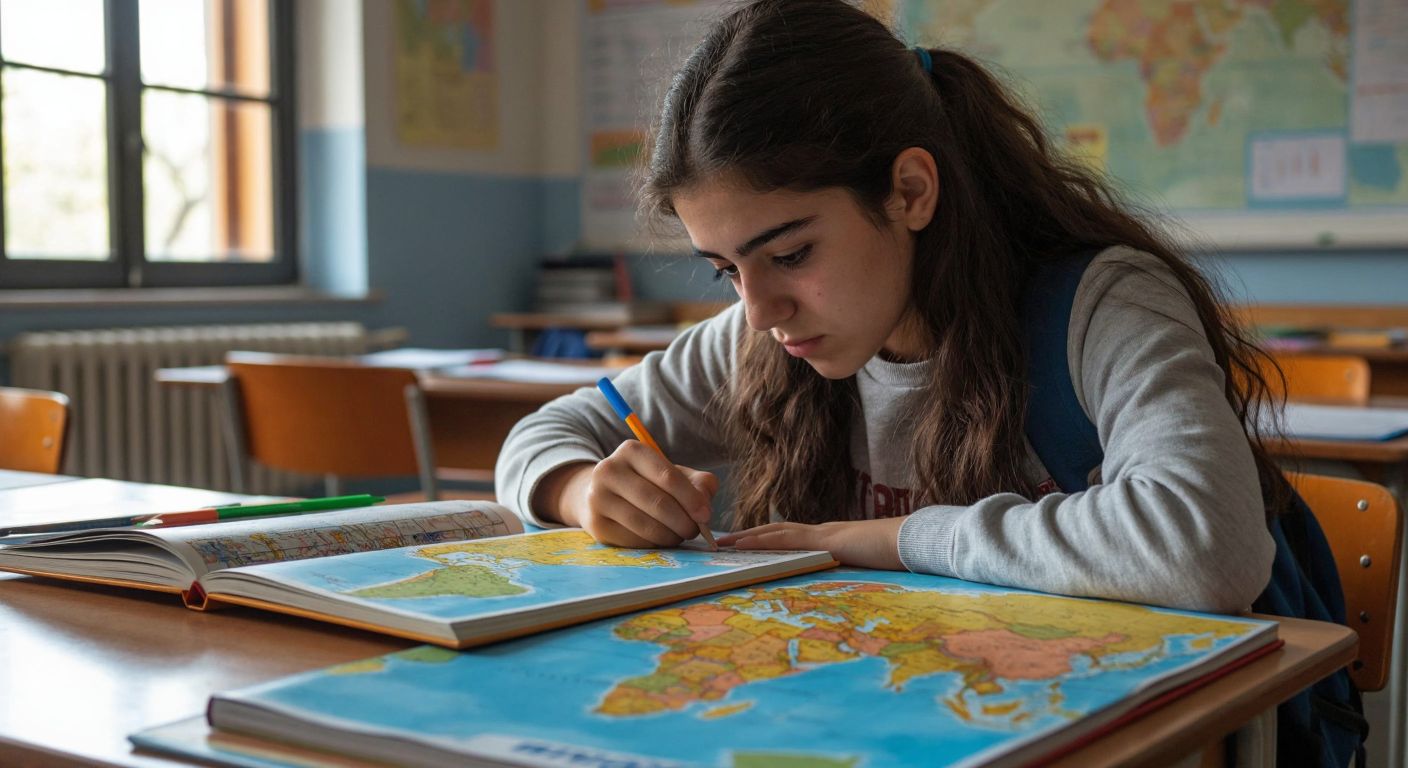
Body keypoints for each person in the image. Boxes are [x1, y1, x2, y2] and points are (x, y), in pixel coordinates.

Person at [495, 0, 1283, 616]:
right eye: (724, 271)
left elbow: (1208, 545)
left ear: (909, 191)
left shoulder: (1099, 307)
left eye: (792, 254)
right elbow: (545, 432)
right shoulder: (761, 336)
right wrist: (577, 490)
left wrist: (883, 541)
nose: (760, 309)